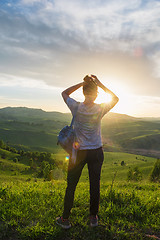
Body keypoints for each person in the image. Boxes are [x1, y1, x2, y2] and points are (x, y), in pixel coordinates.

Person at [56, 75, 119, 229]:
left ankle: (65, 220)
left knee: (71, 185)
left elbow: (64, 93)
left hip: (79, 153)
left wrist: (82, 83)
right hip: (96, 151)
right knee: (94, 185)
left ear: (84, 92)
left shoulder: (76, 107)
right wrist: (99, 84)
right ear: (96, 94)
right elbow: (115, 98)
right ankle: (93, 218)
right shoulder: (100, 108)